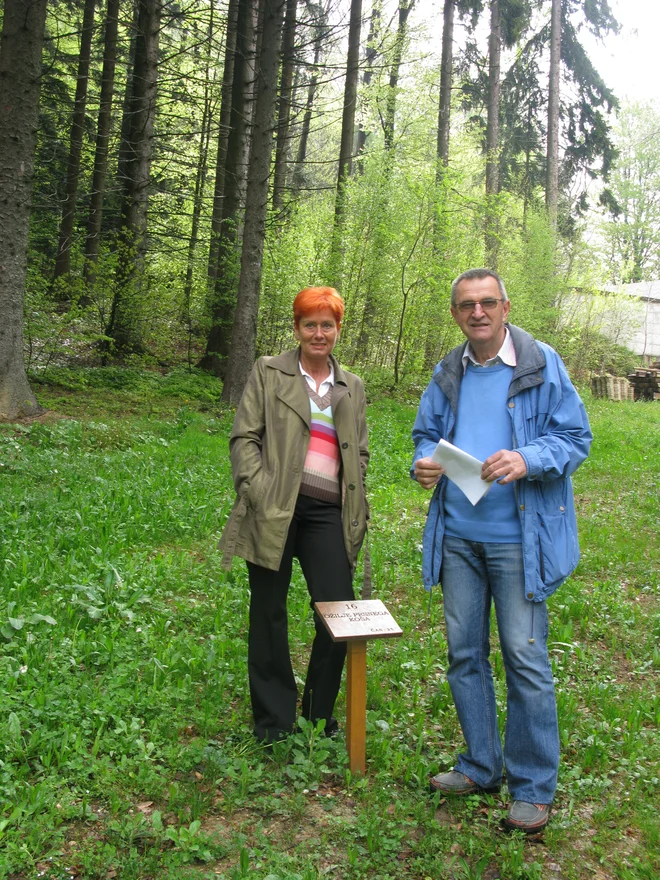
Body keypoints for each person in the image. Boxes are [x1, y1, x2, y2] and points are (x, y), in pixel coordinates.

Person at [412, 268, 592, 833]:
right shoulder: (450, 369)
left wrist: (527, 458)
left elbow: (575, 437)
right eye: (466, 305)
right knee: (464, 655)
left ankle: (533, 787)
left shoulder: (541, 364)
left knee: (525, 660)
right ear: (455, 313)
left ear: (506, 307)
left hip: (520, 540)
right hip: (459, 538)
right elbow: (425, 432)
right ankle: (480, 766)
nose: (478, 313)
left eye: (487, 302)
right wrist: (422, 462)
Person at [219, 286, 369, 743]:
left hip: (328, 513)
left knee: (338, 612)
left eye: (327, 324)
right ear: (297, 328)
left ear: (338, 329)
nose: (318, 333)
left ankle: (317, 717)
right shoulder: (268, 371)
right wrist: (258, 489)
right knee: (268, 613)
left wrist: (353, 488)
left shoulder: (352, 385)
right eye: (310, 324)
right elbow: (245, 437)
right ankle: (274, 721)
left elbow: (358, 451)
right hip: (274, 508)